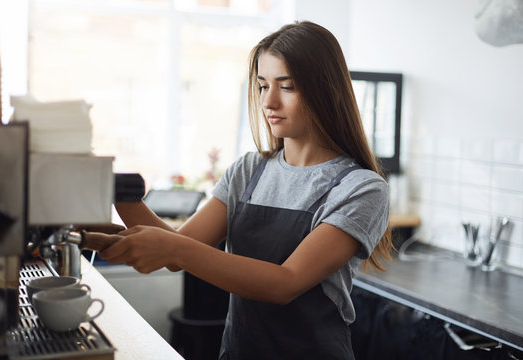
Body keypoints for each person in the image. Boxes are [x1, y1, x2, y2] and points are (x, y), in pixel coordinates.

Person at [92, 20, 391, 360]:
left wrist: (174, 248)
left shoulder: (361, 188)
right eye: (263, 86)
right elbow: (179, 251)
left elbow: (285, 283)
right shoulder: (249, 171)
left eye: (287, 86)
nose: (269, 102)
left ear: (326, 90)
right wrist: (117, 191)